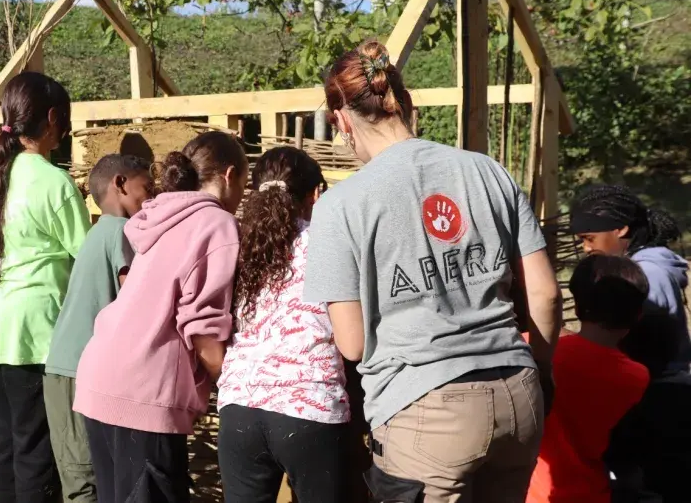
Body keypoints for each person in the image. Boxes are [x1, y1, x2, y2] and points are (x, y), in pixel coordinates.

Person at [304, 40, 562, 502]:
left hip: (422, 410)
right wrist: (541, 369)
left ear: (341, 120)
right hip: (518, 395)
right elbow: (546, 295)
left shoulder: (340, 205)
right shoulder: (488, 172)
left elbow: (352, 342)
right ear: (403, 101)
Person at [73, 131, 249, 503]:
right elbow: (203, 327)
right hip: (143, 389)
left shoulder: (158, 216)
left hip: (101, 377)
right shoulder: (217, 224)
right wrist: (236, 386)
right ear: (230, 175)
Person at [0, 72, 91, 503]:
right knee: (36, 443)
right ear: (53, 118)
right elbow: (86, 255)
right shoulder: (53, 182)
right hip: (32, 331)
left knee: (3, 439)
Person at [216, 147, 350, 503]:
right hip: (310, 408)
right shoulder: (326, 243)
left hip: (239, 408)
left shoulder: (237, 244)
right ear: (316, 194)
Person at [43, 154, 154, 503]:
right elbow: (135, 297)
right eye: (147, 187)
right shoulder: (121, 231)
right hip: (75, 371)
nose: (151, 197)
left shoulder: (99, 231)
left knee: (84, 476)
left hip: (68, 369)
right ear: (120, 184)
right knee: (84, 480)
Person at [526, 254, 651, 503]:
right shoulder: (637, 376)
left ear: (577, 307)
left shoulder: (530, 347)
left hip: (532, 493)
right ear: (638, 315)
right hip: (592, 493)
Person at [569, 185, 689, 370]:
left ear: (620, 230)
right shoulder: (638, 268)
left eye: (590, 238)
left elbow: (642, 348)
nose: (586, 248)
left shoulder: (648, 274)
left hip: (655, 382)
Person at [606, 311, 691, 503]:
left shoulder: (626, 399)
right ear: (675, 347)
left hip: (648, 491)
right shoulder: (685, 390)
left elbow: (619, 460)